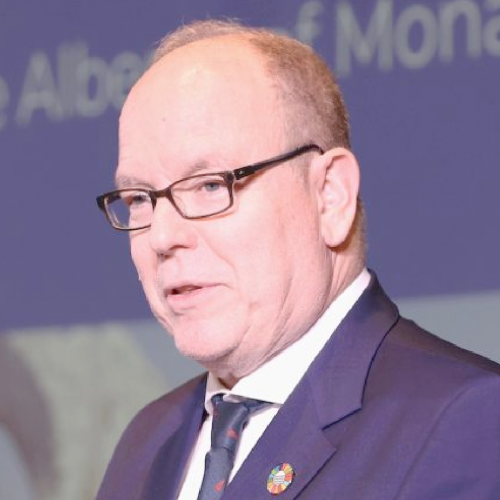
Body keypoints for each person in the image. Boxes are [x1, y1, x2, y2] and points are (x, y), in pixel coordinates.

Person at [95, 19, 500, 500]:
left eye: (210, 186)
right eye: (139, 199)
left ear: (330, 195)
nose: (162, 236)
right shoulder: (146, 441)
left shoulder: (468, 419)